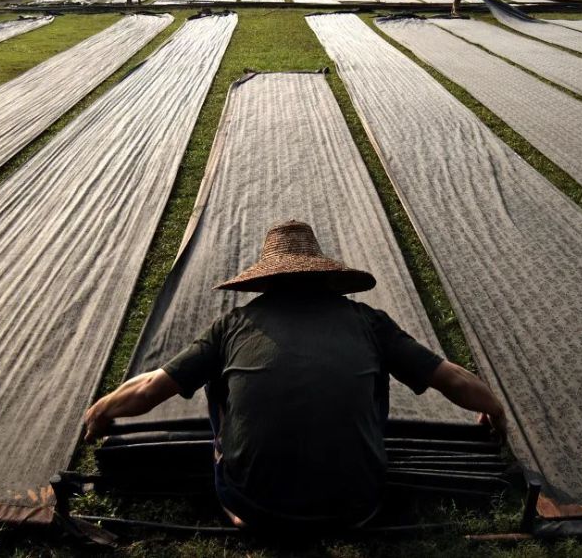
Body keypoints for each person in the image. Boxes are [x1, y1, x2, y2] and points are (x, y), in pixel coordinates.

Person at [84, 220, 507, 531]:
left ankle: (242, 491)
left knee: (215, 381)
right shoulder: (368, 323)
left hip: (254, 510)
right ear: (325, 278)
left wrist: (102, 411)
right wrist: (494, 408)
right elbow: (449, 378)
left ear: (266, 282)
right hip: (357, 508)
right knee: (375, 378)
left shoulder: (234, 326)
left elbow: (153, 388)